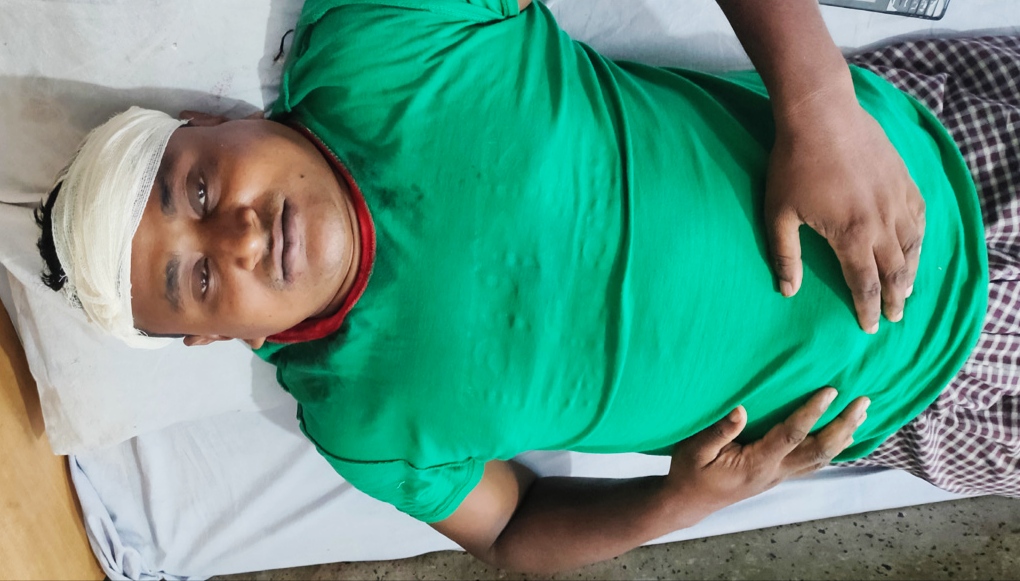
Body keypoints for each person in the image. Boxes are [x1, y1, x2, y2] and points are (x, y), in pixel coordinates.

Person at [31, 0, 1020, 573]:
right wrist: (678, 501)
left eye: (201, 188)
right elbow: (509, 527)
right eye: (200, 277)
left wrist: (817, 105)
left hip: (949, 157)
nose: (240, 234)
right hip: (935, 402)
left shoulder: (375, 46)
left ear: (219, 122)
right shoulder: (361, 419)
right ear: (215, 335)